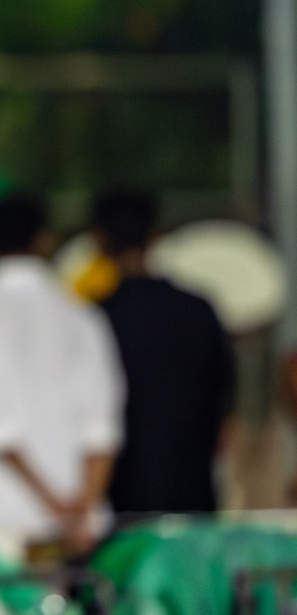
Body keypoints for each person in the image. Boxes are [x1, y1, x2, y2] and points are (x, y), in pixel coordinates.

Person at [0, 193, 125, 560]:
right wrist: (80, 506)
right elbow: (102, 424)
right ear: (44, 240)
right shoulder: (82, 315)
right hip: (80, 517)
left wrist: (52, 504)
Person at [91, 191, 232, 515]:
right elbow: (225, 404)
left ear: (98, 239)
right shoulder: (199, 310)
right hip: (196, 490)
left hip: (123, 497)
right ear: (155, 237)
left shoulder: (97, 318)